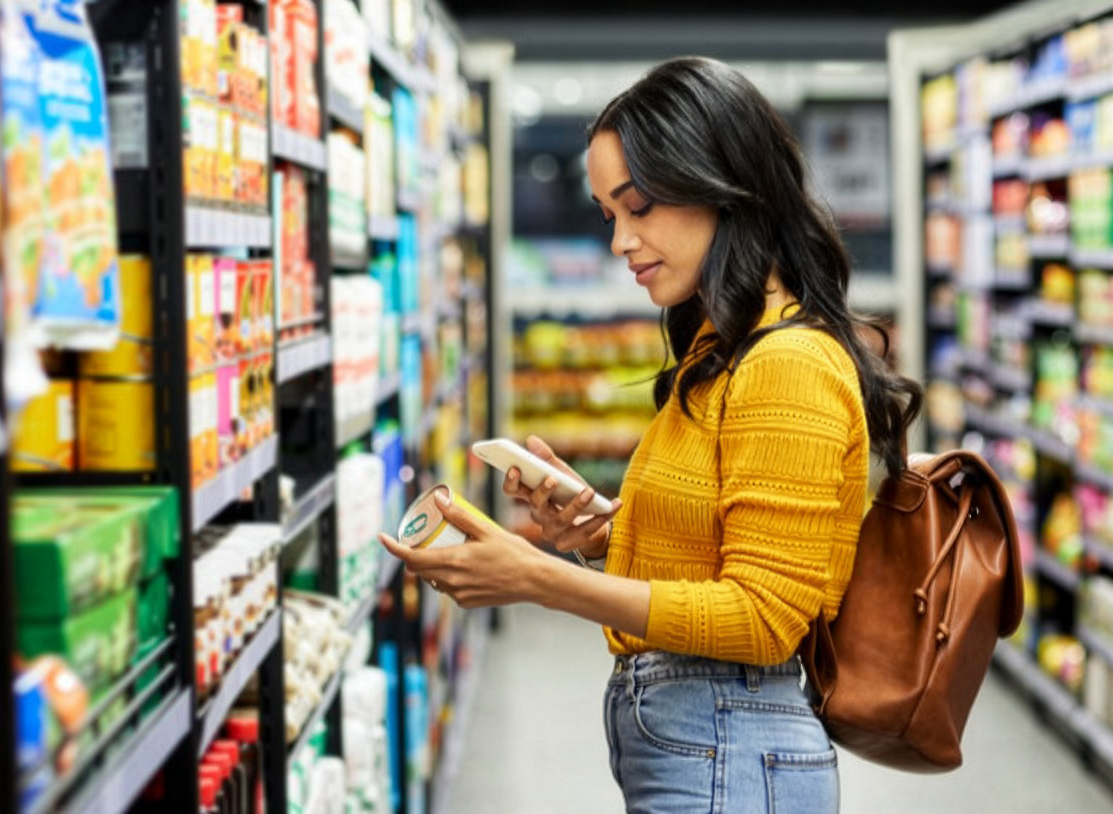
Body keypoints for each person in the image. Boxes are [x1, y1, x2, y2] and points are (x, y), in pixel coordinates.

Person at [378, 56, 923, 814]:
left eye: (639, 208)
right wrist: (604, 528)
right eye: (609, 215)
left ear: (723, 186)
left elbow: (764, 619)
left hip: (732, 743)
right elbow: (717, 549)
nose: (620, 242)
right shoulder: (722, 345)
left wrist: (540, 579)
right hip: (708, 738)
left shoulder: (789, 362)